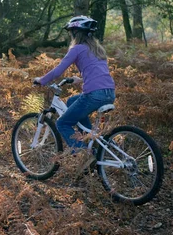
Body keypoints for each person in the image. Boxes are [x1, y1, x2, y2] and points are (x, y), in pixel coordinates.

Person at [33, 15, 115, 150]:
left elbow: (58, 71)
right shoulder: (98, 49)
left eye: (71, 33)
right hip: (110, 93)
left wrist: (41, 80)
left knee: (62, 123)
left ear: (75, 33)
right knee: (72, 101)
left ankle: (84, 155)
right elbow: (99, 73)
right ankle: (90, 140)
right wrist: (81, 79)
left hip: (94, 95)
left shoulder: (77, 48)